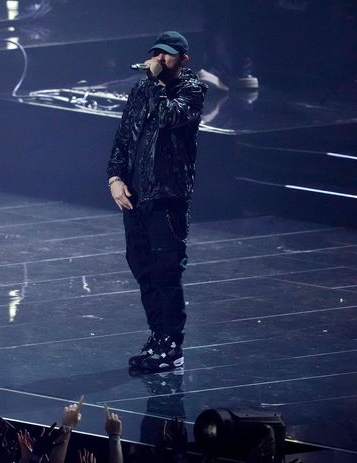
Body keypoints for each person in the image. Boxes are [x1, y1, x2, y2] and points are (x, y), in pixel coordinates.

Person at [107, 31, 207, 373]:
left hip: (167, 196)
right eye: (157, 54)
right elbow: (124, 137)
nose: (160, 60)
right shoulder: (141, 90)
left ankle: (172, 345)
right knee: (142, 267)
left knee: (166, 272)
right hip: (135, 195)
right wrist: (115, 179)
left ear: (183, 59)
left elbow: (168, 117)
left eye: (167, 55)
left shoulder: (192, 91)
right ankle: (157, 336)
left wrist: (152, 84)